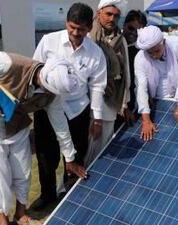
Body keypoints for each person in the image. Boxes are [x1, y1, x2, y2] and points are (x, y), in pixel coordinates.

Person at [0, 51, 82, 225]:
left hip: (16, 126)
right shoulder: (8, 63)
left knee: (23, 172)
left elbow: (60, 125)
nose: (47, 92)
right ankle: (3, 218)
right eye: (46, 88)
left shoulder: (53, 94)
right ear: (42, 78)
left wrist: (69, 157)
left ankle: (20, 213)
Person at [31, 2, 107, 210]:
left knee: (76, 153)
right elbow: (34, 70)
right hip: (47, 107)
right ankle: (47, 194)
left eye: (81, 29)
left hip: (77, 110)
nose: (75, 32)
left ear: (89, 28)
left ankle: (70, 193)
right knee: (47, 154)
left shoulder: (95, 53)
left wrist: (97, 117)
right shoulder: (48, 41)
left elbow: (98, 86)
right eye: (72, 27)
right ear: (66, 23)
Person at [85, 0, 133, 167]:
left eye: (116, 16)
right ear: (99, 13)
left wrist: (125, 103)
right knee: (85, 147)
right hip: (87, 100)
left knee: (104, 145)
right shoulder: (88, 37)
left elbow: (126, 72)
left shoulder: (121, 41)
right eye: (108, 14)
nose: (112, 19)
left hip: (111, 100)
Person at [135, 25, 178, 141]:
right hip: (155, 102)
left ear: (163, 42)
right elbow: (141, 88)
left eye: (157, 51)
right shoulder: (140, 58)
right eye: (150, 53)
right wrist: (146, 121)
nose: (154, 55)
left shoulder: (177, 45)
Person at [114, 9, 147, 130]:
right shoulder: (113, 47)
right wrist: (124, 107)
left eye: (138, 30)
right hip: (116, 106)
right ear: (124, 25)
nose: (134, 33)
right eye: (131, 28)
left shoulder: (143, 52)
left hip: (135, 105)